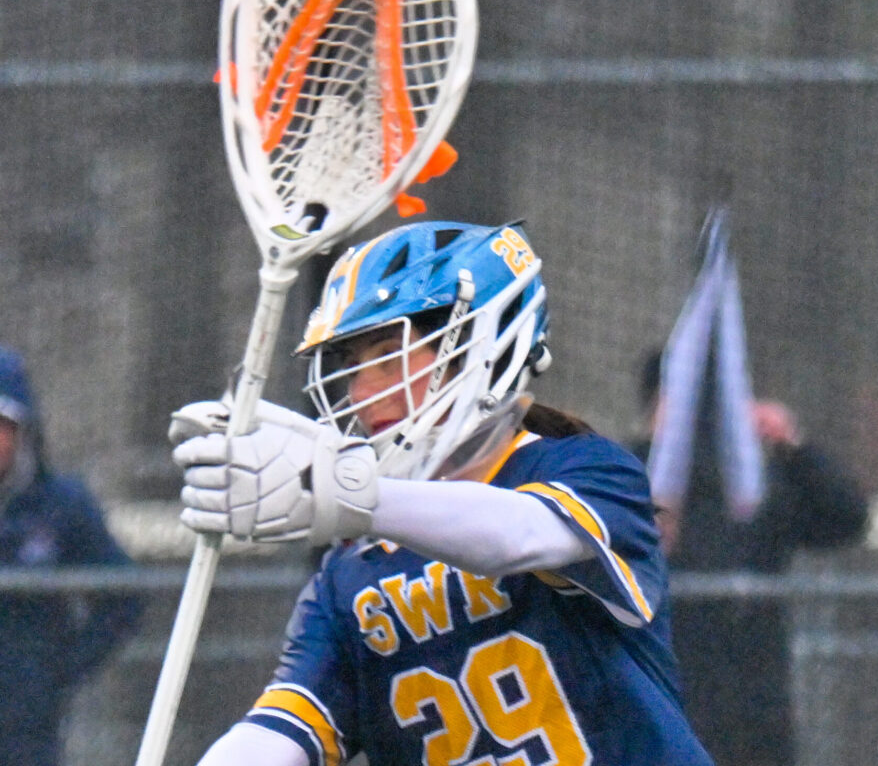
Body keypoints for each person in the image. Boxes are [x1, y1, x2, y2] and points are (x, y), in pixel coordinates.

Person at [170, 220, 714, 766]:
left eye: (388, 356)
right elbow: (280, 730)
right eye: (351, 367)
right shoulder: (349, 573)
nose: (362, 393)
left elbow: (515, 535)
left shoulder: (585, 469)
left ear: (484, 342)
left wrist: (345, 489)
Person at [632, 348, 868, 766]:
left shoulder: (753, 489)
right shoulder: (631, 476)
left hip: (752, 700)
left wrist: (793, 446)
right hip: (665, 690)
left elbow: (845, 518)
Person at [0, 346, 144, 766]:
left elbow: (122, 595)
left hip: (26, 724)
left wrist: (57, 669)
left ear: (24, 430)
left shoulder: (61, 505)